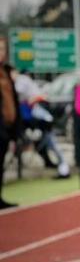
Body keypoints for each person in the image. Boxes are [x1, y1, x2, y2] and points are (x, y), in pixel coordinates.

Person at [13, 69, 70, 179]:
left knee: (52, 144)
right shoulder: (27, 103)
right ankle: (58, 166)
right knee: (46, 144)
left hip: (44, 124)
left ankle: (63, 169)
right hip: (38, 124)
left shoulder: (25, 85)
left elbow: (38, 102)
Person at [0, 35, 24, 210]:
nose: (0, 53)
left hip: (8, 126)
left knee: (1, 164)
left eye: (2, 49)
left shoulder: (7, 72)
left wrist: (16, 130)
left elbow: (13, 100)